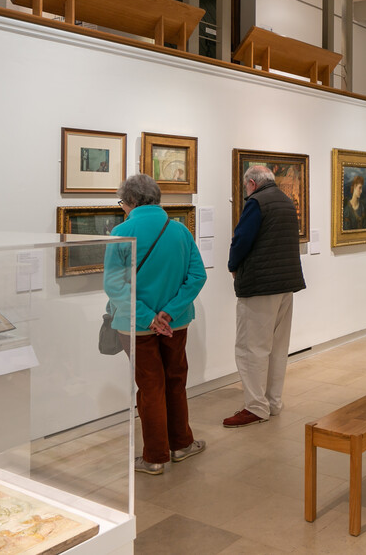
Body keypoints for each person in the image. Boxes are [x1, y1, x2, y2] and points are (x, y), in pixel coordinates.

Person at [104, 174, 207, 475]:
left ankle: (155, 456)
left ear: (132, 201)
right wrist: (169, 313)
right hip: (176, 324)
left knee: (150, 387)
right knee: (175, 381)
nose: (122, 207)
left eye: (122, 202)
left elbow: (114, 285)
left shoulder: (122, 232)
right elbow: (197, 276)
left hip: (135, 326)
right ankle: (181, 444)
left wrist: (148, 316)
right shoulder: (180, 231)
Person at [225, 165, 306, 428]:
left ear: (251, 182)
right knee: (277, 348)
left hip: (260, 285)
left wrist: (233, 266)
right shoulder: (285, 201)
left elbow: (241, 240)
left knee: (251, 348)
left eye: (246, 186)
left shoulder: (256, 202)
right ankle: (273, 401)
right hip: (285, 284)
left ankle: (256, 407)